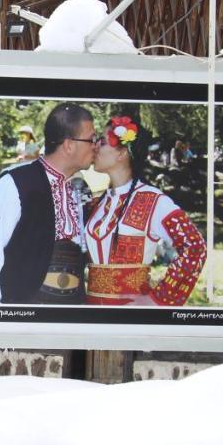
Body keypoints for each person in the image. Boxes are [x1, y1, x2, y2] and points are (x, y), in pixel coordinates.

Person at [0, 102, 97, 304]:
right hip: (25, 319)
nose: (96, 146)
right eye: (91, 139)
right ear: (69, 145)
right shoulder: (15, 184)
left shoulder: (80, 188)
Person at [84, 116, 207, 306]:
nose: (95, 146)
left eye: (103, 141)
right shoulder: (99, 203)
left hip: (130, 319)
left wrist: (158, 299)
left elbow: (195, 246)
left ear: (122, 153)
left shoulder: (153, 201)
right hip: (93, 314)